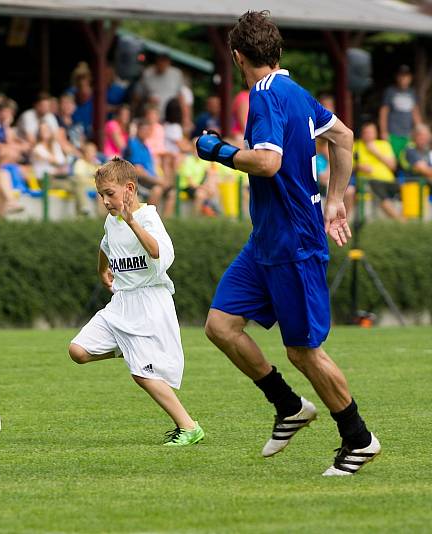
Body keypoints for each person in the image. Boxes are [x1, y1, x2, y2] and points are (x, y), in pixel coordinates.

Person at [198, 11, 380, 476]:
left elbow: (266, 164)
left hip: (294, 242)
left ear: (238, 56)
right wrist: (335, 200)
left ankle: (359, 439)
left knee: (303, 351)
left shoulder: (263, 96)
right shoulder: (296, 92)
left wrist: (216, 150)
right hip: (267, 240)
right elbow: (343, 136)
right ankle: (288, 407)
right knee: (220, 325)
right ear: (275, 51)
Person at [69, 157, 205, 446]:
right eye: (100, 195)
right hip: (122, 302)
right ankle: (128, 349)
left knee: (142, 375)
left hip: (150, 303)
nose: (105, 201)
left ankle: (189, 427)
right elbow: (105, 243)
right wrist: (101, 267)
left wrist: (132, 222)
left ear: (129, 189)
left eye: (109, 193)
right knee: (77, 351)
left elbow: (159, 253)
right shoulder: (111, 219)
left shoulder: (147, 218)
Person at [352, 121, 402, 221]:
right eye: (366, 132)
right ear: (362, 134)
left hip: (389, 181)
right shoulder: (355, 146)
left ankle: (411, 219)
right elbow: (347, 165)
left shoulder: (384, 145)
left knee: (406, 187)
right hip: (369, 181)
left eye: (371, 132)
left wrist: (375, 152)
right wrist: (358, 166)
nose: (369, 135)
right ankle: (400, 220)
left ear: (376, 133)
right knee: (376, 189)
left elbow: (393, 166)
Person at [124, 121, 169, 210]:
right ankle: (148, 217)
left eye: (148, 130)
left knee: (171, 192)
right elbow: (138, 170)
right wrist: (157, 180)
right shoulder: (133, 144)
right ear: (138, 130)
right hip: (138, 181)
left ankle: (167, 221)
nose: (146, 132)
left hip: (149, 179)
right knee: (157, 190)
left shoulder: (145, 146)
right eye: (144, 130)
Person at [379, 65, 422, 157]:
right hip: (393, 134)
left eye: (406, 76)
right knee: (393, 159)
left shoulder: (412, 92)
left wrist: (419, 129)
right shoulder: (390, 91)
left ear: (410, 78)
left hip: (408, 134)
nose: (403, 78)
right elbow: (384, 112)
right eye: (401, 76)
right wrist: (383, 131)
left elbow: (415, 112)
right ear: (397, 77)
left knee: (407, 159)